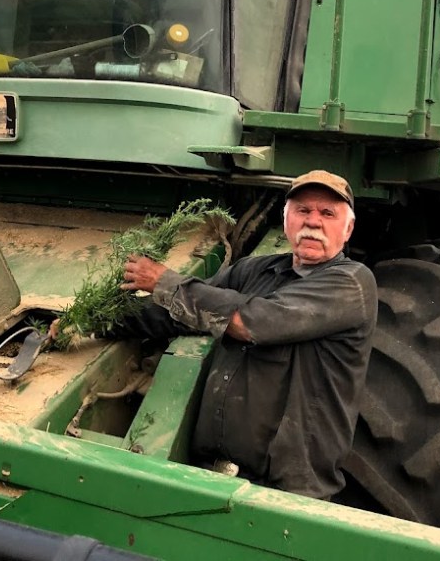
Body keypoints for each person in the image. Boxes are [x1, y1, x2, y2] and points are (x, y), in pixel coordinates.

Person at [112, 169, 377, 500]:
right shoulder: (255, 270)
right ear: (287, 220)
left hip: (287, 494)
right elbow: (187, 313)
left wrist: (167, 282)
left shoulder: (351, 283)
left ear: (348, 229)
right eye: (303, 211)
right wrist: (102, 321)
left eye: (327, 213)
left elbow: (252, 321)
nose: (313, 222)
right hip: (211, 475)